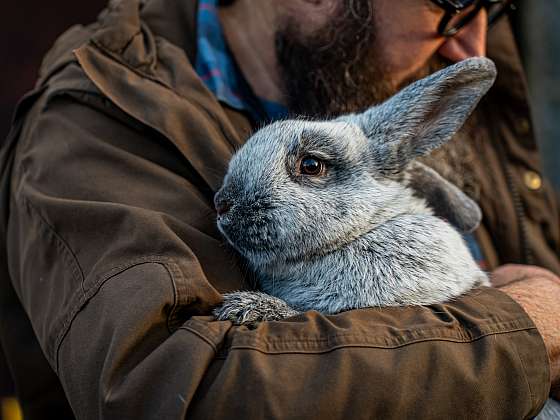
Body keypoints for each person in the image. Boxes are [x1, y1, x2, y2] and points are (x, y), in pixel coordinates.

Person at [0, 0, 558, 418]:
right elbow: (176, 392)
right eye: (451, 1)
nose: (474, 45)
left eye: (497, 6)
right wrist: (523, 330)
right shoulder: (95, 128)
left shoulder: (399, 74)